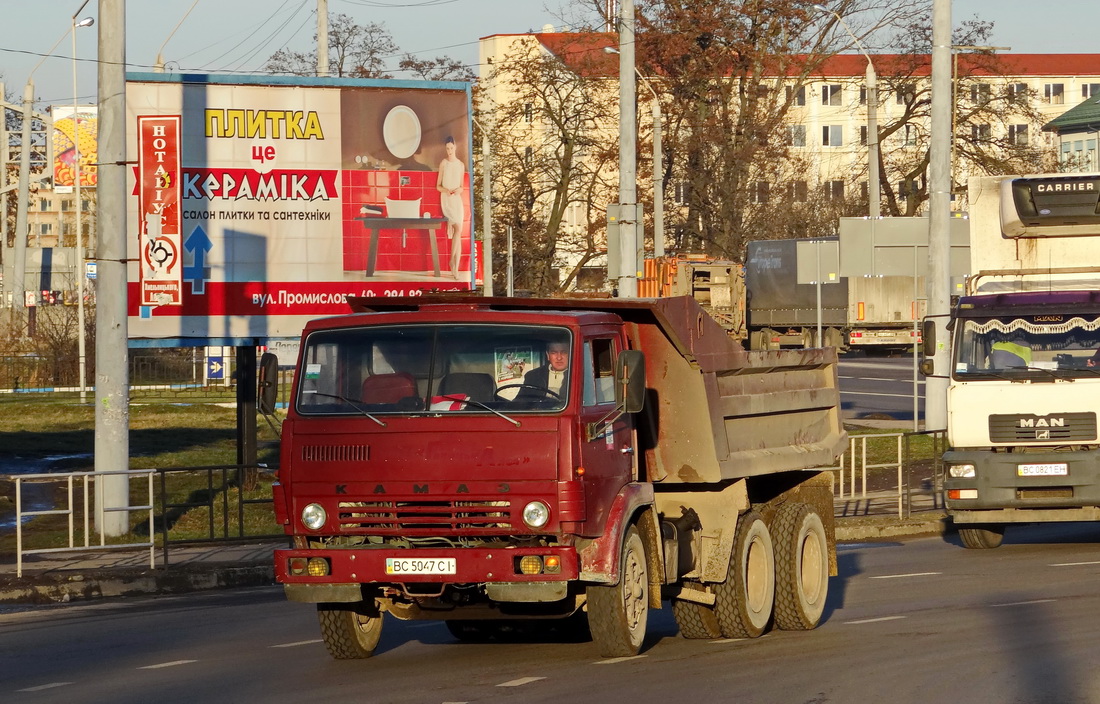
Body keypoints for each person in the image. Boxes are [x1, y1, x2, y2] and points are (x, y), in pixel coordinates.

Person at [436, 136, 466, 278]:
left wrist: (457, 191)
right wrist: (446, 190)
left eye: (451, 148)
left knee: (458, 233)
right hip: (447, 200)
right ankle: (451, 262)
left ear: (455, 147)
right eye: (447, 149)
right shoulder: (444, 163)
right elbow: (438, 186)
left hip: (457, 201)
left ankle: (455, 267)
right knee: (457, 230)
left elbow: (462, 187)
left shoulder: (460, 165)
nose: (449, 151)